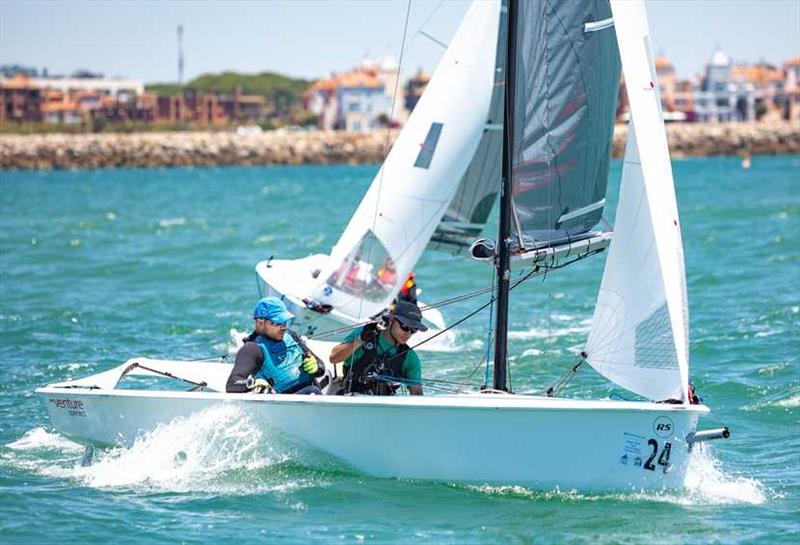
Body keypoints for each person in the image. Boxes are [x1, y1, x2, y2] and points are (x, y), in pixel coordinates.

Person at [226, 296, 325, 394]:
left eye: (284, 322)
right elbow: (232, 383)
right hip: (287, 405)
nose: (283, 327)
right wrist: (253, 383)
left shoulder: (291, 336)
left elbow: (320, 366)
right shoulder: (252, 349)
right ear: (260, 322)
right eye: (277, 323)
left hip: (314, 397)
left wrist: (317, 366)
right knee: (312, 391)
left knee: (313, 391)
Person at [329, 300, 426, 395]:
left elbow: (417, 394)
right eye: (404, 327)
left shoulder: (410, 358)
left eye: (413, 330)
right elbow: (333, 358)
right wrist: (359, 340)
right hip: (350, 399)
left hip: (383, 408)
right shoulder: (364, 334)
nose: (408, 334)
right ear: (392, 321)